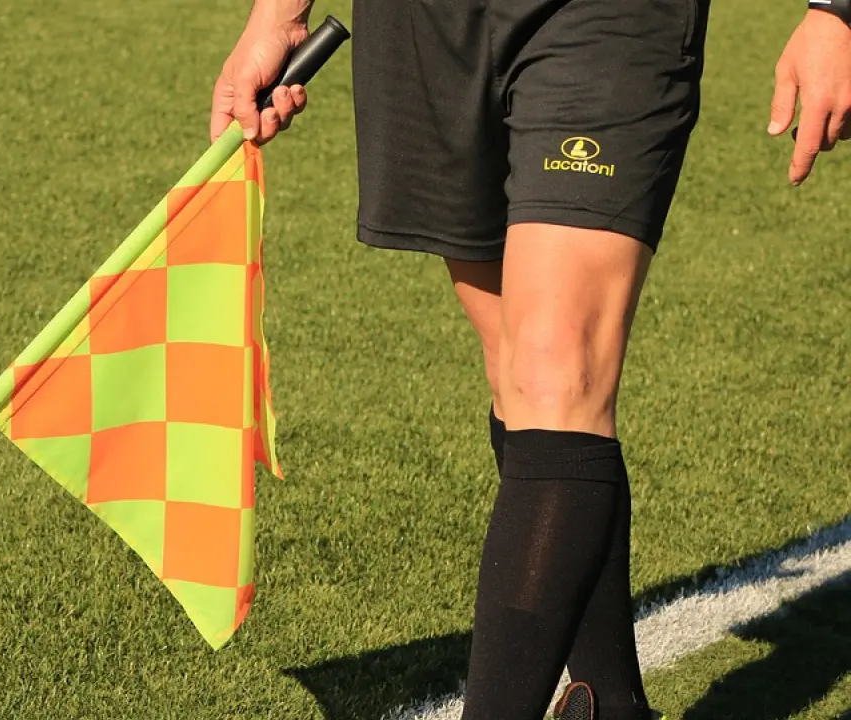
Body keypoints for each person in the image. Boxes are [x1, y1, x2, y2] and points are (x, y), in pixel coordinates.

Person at [208, 1, 851, 719]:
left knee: (556, 369)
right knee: (517, 372)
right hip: (423, 26)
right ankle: (612, 705)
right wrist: (278, 15)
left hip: (606, 16)